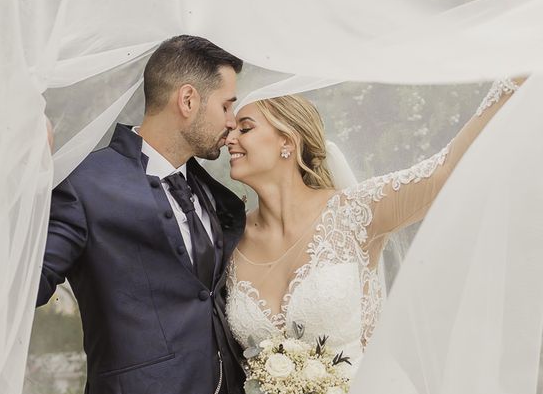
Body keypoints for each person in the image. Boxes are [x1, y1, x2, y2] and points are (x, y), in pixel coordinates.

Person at [224, 79, 525, 377]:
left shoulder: (355, 211)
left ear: (287, 141)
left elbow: (443, 172)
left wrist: (515, 80)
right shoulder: (227, 238)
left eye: (245, 128)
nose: (229, 139)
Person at [37, 35, 247, 394]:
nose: (232, 121)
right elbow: (27, 283)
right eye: (226, 105)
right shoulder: (84, 185)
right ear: (188, 101)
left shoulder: (220, 199)